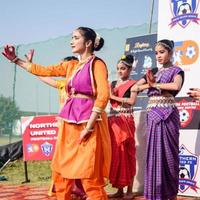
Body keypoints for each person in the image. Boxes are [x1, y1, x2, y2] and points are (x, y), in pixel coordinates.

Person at [2, 26, 111, 200]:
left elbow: (103, 95)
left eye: (76, 38)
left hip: (87, 125)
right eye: (71, 37)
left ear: (88, 43)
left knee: (89, 175)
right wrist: (16, 60)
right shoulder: (71, 65)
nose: (71, 41)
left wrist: (88, 127)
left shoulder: (97, 64)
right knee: (61, 172)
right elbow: (45, 71)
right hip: (68, 124)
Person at [131, 39, 184, 200]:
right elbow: (135, 87)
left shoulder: (177, 71)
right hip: (153, 116)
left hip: (167, 115)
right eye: (156, 53)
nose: (158, 56)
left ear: (170, 53)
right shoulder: (153, 72)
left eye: (162, 52)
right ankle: (156, 193)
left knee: (169, 154)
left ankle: (171, 194)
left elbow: (175, 87)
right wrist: (150, 84)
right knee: (154, 154)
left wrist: (154, 85)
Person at [108, 55, 137, 199]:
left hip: (126, 121)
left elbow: (131, 101)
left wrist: (112, 97)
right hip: (113, 121)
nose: (120, 71)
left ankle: (130, 190)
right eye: (118, 69)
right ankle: (119, 190)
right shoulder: (112, 84)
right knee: (117, 154)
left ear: (130, 69)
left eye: (123, 68)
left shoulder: (133, 84)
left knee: (127, 154)